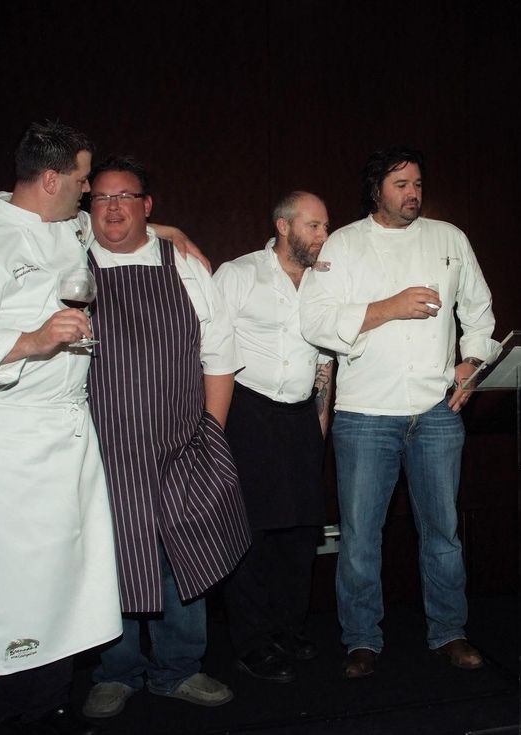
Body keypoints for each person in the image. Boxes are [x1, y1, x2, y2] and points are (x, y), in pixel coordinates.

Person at [0, 120, 121, 735]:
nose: (90, 193)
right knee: (14, 589)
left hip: (68, 430)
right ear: (52, 177)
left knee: (65, 580)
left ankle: (49, 707)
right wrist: (32, 342)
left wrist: (172, 232)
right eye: (84, 180)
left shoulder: (67, 227)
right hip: (11, 442)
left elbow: (109, 228)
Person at [299, 146, 498, 679]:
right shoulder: (342, 244)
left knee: (444, 532)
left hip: (437, 410)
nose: (412, 193)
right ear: (376, 191)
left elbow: (479, 310)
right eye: (400, 184)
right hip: (365, 415)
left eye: (416, 184)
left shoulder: (449, 238)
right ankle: (362, 639)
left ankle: (450, 631)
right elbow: (314, 320)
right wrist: (390, 307)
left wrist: (473, 361)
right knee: (361, 537)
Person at [72, 156, 251, 718]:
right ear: (87, 208)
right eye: (101, 198)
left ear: (148, 206)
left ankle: (179, 669)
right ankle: (116, 671)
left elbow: (219, 354)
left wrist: (209, 434)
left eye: (126, 197)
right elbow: (20, 204)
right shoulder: (68, 261)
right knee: (110, 558)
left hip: (180, 443)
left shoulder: (186, 265)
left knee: (183, 557)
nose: (114, 208)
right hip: (101, 450)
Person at [212, 191, 334, 684]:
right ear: (283, 227)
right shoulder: (238, 274)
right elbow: (210, 350)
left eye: (325, 226)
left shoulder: (328, 282)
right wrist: (213, 428)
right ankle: (252, 641)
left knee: (301, 534)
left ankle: (288, 628)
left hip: (303, 416)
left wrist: (319, 425)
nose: (324, 236)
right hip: (248, 412)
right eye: (314, 226)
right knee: (252, 534)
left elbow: (327, 357)